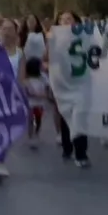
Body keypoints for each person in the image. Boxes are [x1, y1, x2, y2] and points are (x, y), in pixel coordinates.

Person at [52, 11, 91, 167]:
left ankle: (81, 153)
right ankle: (67, 146)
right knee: (66, 116)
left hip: (81, 83)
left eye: (69, 19)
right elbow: (46, 59)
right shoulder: (53, 39)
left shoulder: (86, 38)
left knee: (80, 116)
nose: (65, 22)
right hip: (62, 84)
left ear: (76, 22)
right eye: (62, 20)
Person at [0, 19, 25, 183]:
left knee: (5, 129)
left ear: (15, 32)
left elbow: (22, 77)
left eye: (10, 29)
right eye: (4, 28)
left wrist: (19, 93)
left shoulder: (19, 53)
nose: (7, 31)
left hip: (11, 96)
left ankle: (0, 159)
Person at [23, 57, 51, 149]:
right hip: (31, 103)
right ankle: (31, 136)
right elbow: (28, 91)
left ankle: (36, 133)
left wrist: (47, 94)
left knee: (38, 120)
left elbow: (47, 86)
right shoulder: (27, 79)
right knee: (31, 120)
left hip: (40, 104)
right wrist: (40, 95)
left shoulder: (43, 77)